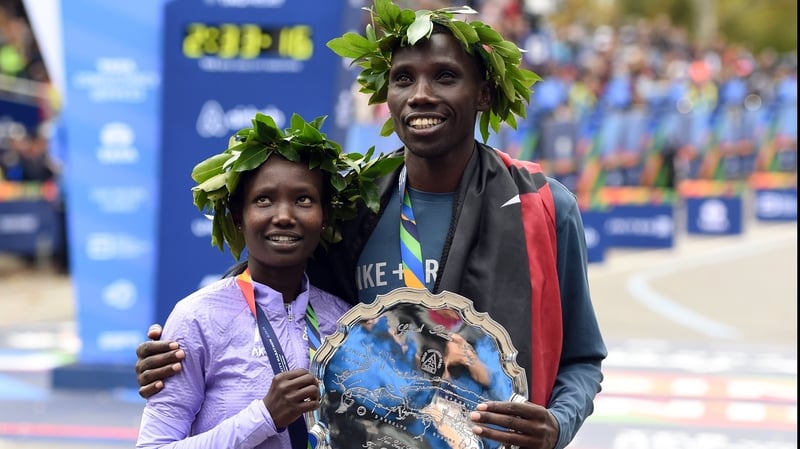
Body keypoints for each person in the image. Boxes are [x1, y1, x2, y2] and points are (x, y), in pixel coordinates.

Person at [136, 2, 607, 448]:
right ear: (387, 94)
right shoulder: (355, 205)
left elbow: (582, 359)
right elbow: (277, 294)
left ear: (483, 92)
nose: (421, 94)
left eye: (445, 76)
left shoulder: (541, 206)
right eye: (403, 78)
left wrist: (557, 425)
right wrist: (179, 351)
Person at [135, 112, 401, 448]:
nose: (285, 216)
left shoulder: (349, 325)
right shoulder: (196, 319)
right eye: (264, 200)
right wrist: (264, 416)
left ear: (325, 217)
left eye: (303, 199)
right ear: (238, 218)